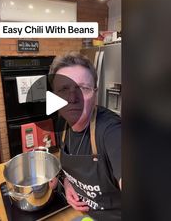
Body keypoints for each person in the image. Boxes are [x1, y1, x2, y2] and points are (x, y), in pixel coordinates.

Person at [49, 52, 121, 221]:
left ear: (95, 94)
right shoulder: (62, 124)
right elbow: (66, 169)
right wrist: (67, 183)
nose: (73, 99)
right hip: (83, 214)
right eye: (64, 89)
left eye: (83, 88)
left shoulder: (112, 131)